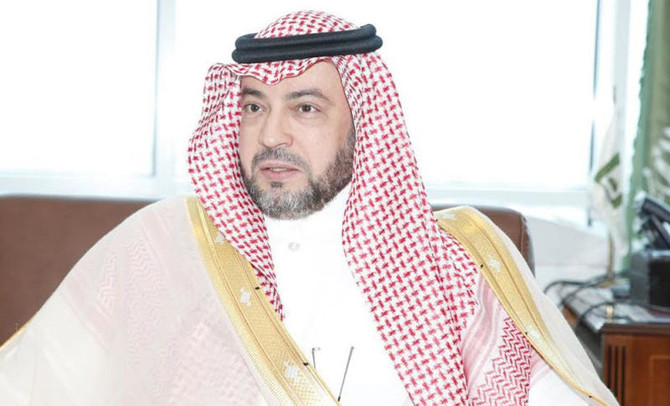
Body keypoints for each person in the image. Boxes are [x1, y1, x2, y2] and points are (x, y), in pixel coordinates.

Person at [0, 10, 617, 406]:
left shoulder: (451, 265)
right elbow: (37, 381)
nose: (271, 135)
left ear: (363, 123)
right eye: (253, 107)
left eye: (305, 108)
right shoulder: (166, 246)